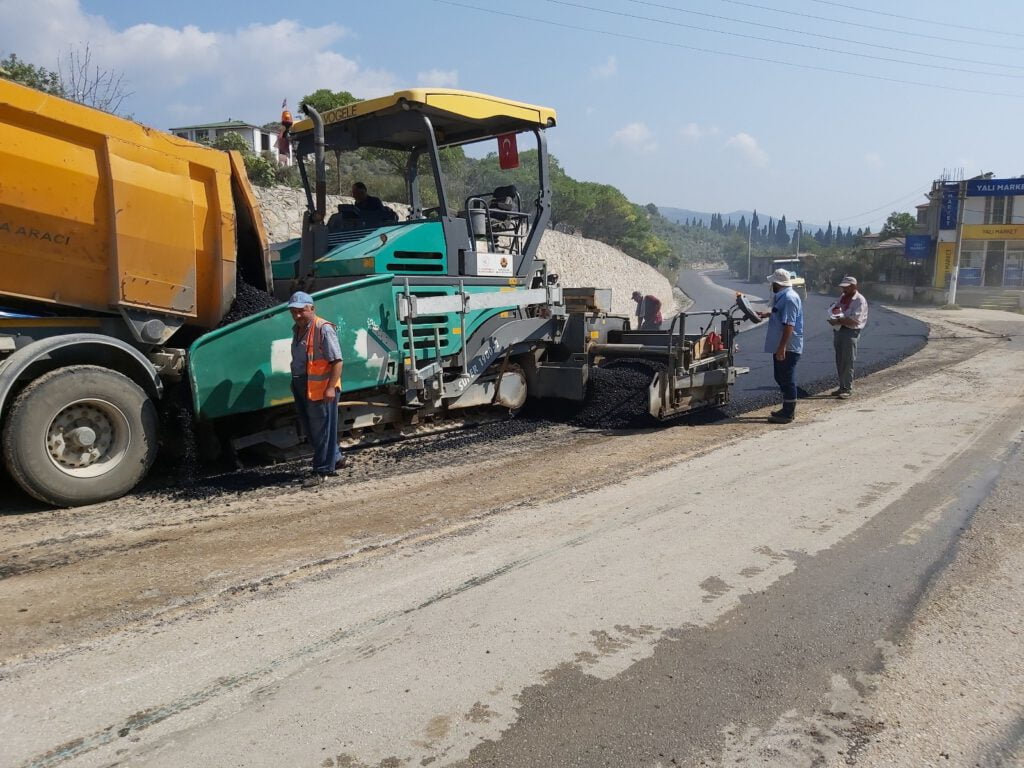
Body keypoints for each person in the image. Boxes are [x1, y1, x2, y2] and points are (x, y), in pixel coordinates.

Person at [287, 291, 347, 487]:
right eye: (293, 312)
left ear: (311, 308)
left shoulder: (323, 328)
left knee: (321, 430)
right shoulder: (297, 329)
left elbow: (337, 361)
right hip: (302, 384)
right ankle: (336, 458)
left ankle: (322, 470)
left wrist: (330, 388)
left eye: (301, 311)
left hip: (321, 388)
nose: (297, 315)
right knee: (312, 429)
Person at [757, 268, 804, 424]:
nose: (771, 287)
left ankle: (788, 413)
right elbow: (780, 314)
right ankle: (786, 407)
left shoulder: (790, 298)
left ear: (778, 284)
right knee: (780, 376)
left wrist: (782, 347)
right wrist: (767, 314)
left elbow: (789, 324)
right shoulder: (782, 298)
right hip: (781, 344)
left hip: (788, 346)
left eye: (773, 284)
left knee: (787, 377)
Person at [827, 276, 869, 399]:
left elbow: (855, 320)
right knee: (840, 360)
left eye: (846, 287)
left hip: (851, 332)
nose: (843, 289)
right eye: (842, 287)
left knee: (848, 360)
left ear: (854, 286)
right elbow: (836, 309)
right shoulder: (843, 297)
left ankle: (847, 388)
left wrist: (838, 320)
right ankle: (842, 386)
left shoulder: (859, 300)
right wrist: (833, 316)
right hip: (839, 330)